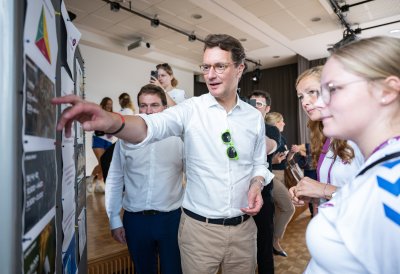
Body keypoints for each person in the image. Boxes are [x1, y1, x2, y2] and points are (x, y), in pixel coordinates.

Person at [53, 34, 273, 274]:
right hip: (199, 233)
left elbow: (259, 163)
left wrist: (257, 182)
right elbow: (150, 126)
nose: (210, 75)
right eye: (206, 67)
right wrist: (113, 121)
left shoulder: (253, 118)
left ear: (240, 68)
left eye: (220, 66)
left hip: (244, 232)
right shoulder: (191, 110)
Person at [303, 36, 400, 273]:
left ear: (386, 91)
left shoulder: (392, 185)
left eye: (333, 89)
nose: (320, 103)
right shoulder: (381, 168)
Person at [105, 84, 184, 274]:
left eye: (154, 105)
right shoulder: (125, 140)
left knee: (173, 271)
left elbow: (196, 175)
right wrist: (114, 219)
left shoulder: (179, 139)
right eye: (143, 105)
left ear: (165, 108)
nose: (148, 111)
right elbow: (115, 178)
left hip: (171, 220)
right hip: (135, 220)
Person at [291, 66, 364, 210]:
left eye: (311, 92)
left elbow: (377, 200)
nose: (304, 103)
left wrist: (323, 189)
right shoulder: (328, 138)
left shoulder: (363, 137)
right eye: (301, 97)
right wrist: (312, 195)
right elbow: (335, 196)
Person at [249, 90, 280, 273]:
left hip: (263, 192)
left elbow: (268, 148)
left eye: (258, 104)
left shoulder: (271, 129)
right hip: (239, 194)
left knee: (264, 244)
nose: (254, 107)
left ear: (267, 109)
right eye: (251, 103)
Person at [266, 112, 295, 257]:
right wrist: (273, 161)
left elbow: (283, 160)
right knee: (289, 208)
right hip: (271, 176)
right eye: (281, 121)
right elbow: (259, 161)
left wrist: (291, 154)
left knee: (279, 209)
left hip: (281, 175)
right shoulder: (268, 137)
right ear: (276, 123)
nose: (284, 123)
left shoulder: (281, 138)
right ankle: (274, 241)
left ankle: (271, 241)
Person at [87, 97, 115, 193]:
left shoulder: (112, 115)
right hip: (98, 140)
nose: (109, 105)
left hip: (109, 141)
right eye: (107, 103)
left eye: (110, 104)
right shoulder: (98, 113)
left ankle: (99, 183)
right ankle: (90, 181)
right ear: (103, 104)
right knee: (102, 163)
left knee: (105, 164)